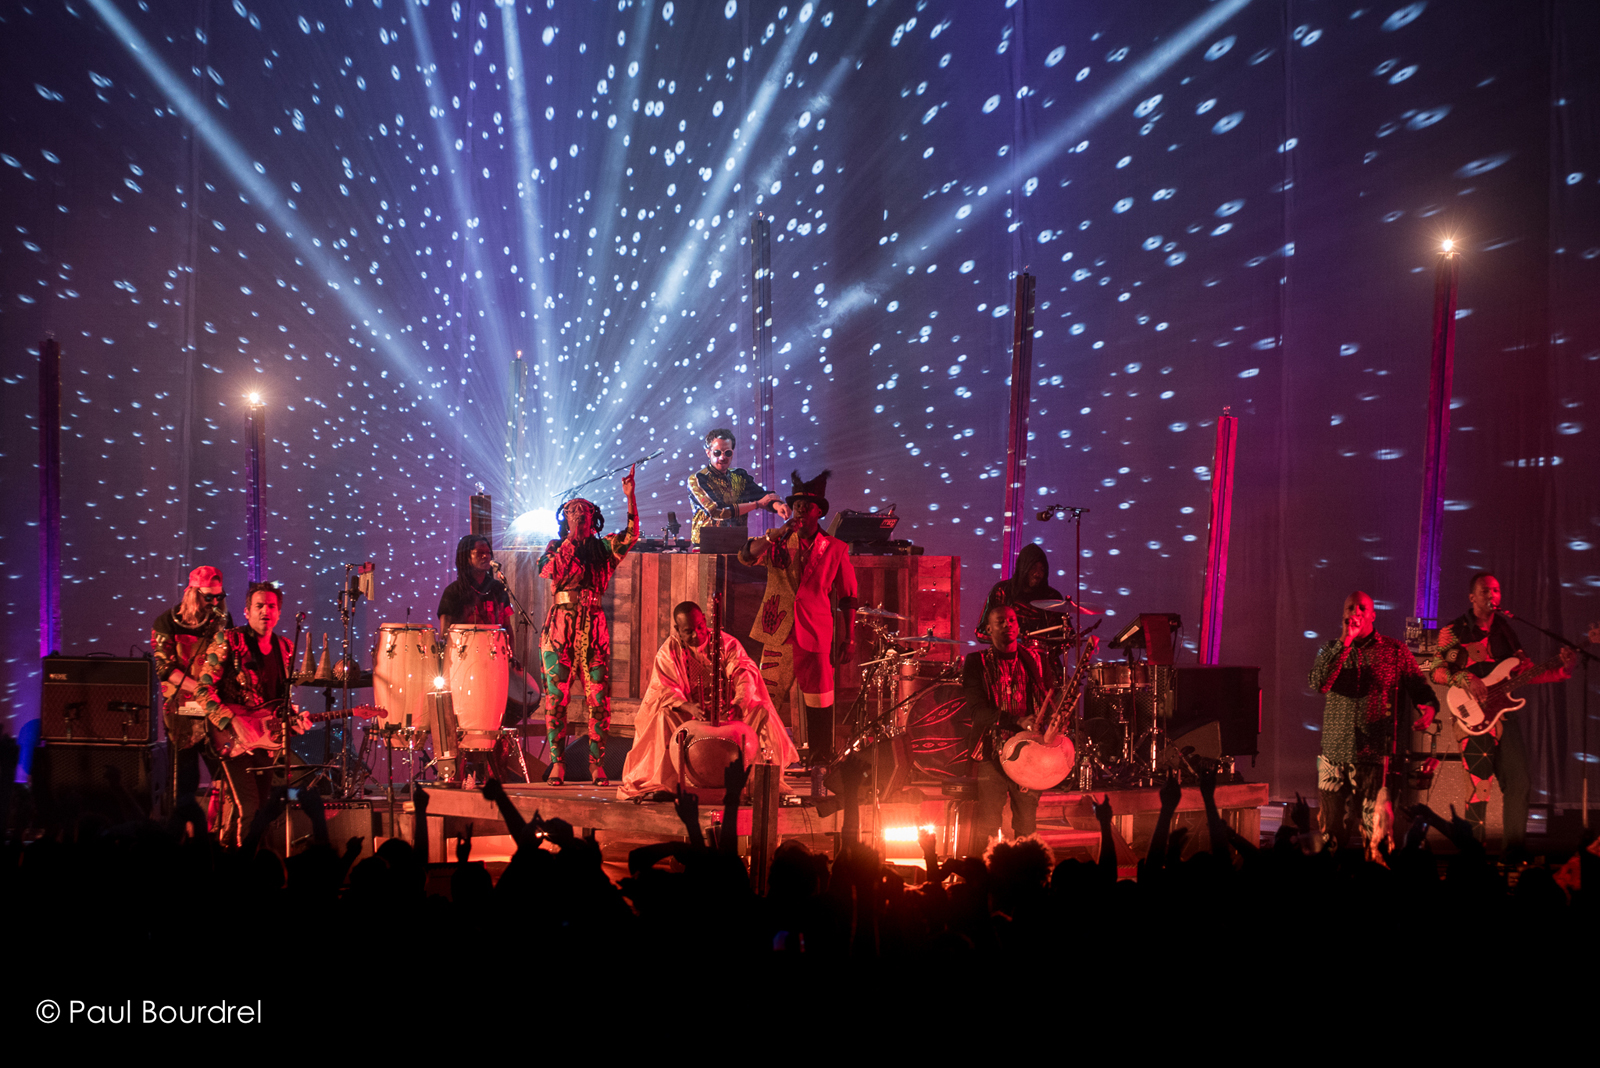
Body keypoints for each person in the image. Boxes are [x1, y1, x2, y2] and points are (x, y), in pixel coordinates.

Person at [1422, 573, 1576, 854]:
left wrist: (1561, 670)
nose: (1491, 595)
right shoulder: (1453, 630)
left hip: (1504, 717)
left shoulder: (1505, 630)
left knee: (1520, 783)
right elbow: (1436, 671)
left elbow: (1525, 673)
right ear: (1472, 597)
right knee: (1479, 790)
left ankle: (1513, 856)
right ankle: (1473, 861)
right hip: (1472, 717)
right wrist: (1466, 678)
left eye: (1496, 590)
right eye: (1485, 590)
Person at [738, 469, 857, 780]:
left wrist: (850, 637)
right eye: (797, 505)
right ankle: (760, 762)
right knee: (765, 701)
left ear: (819, 511)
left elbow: (848, 597)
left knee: (820, 700)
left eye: (807, 506)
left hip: (815, 631)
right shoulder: (777, 541)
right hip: (778, 630)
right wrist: (773, 534)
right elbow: (745, 556)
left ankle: (820, 762)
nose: (801, 510)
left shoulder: (835, 548)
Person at [618, 601, 800, 799]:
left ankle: (759, 783)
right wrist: (689, 707)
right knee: (663, 715)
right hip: (691, 720)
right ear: (677, 629)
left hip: (730, 716)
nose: (696, 635)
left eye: (700, 627)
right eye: (688, 631)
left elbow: (744, 673)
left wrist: (739, 704)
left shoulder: (727, 644)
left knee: (762, 710)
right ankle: (665, 784)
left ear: (705, 621)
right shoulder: (669, 651)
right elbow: (664, 689)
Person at [1308, 591, 1439, 853]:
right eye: (1350, 608)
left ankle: (1376, 875)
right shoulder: (1329, 648)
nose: (1355, 612)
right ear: (1343, 615)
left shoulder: (1394, 650)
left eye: (1361, 608)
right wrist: (1345, 642)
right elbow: (1319, 684)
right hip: (1335, 754)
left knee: (1376, 834)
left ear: (1372, 615)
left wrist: (1428, 708)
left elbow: (1419, 686)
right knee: (1332, 835)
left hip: (1376, 754)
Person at [537, 465, 640, 786]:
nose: (579, 515)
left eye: (585, 512)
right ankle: (557, 763)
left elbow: (631, 536)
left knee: (598, 699)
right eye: (573, 511)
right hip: (559, 629)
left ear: (594, 518)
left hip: (593, 628)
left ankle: (597, 764)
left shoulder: (603, 548)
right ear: (565, 518)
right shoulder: (555, 547)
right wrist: (571, 539)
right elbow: (547, 570)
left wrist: (630, 497)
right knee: (556, 699)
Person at [195, 581, 308, 842]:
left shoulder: (285, 647)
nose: (265, 611)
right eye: (259, 606)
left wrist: (294, 719)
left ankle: (235, 855)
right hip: (232, 738)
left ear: (279, 612)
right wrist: (231, 719)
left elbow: (278, 699)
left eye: (271, 606)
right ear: (247, 612)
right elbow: (203, 690)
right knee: (250, 808)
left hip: (265, 741)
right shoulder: (229, 640)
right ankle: (247, 864)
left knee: (258, 810)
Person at [966, 605, 1050, 845]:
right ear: (988, 629)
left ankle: (1026, 867)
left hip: (1029, 753)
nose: (1008, 625)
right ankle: (986, 867)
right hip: (992, 752)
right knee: (988, 826)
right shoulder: (977, 662)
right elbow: (977, 711)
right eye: (1001, 621)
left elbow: (1047, 699)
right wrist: (1017, 721)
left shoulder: (1036, 660)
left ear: (1019, 626)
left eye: (1012, 620)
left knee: (1026, 825)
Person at [151, 566, 234, 804]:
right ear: (192, 593)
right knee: (185, 779)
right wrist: (198, 689)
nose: (215, 602)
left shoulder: (223, 621)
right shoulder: (167, 621)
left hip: (213, 710)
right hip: (181, 712)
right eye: (209, 597)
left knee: (223, 775)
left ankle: (218, 824)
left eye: (219, 596)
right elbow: (164, 668)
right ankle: (184, 823)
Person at [687, 427, 789, 547]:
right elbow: (717, 511)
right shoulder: (698, 479)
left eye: (727, 453)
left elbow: (762, 496)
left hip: (737, 542)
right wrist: (757, 504)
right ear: (708, 452)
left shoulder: (740, 475)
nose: (722, 457)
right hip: (706, 546)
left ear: (732, 453)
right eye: (717, 453)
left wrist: (778, 506)